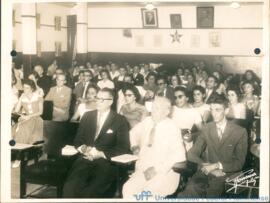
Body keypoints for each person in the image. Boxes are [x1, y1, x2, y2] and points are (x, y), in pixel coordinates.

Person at [63, 88, 130, 198]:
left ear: (110, 101)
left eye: (102, 99)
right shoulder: (87, 116)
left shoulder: (120, 120)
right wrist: (84, 149)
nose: (97, 101)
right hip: (85, 159)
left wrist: (100, 154)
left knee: (90, 192)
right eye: (97, 98)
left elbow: (123, 147)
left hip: (106, 163)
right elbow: (78, 140)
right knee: (69, 187)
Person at [177, 94, 248, 198]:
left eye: (217, 110)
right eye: (211, 110)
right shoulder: (207, 128)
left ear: (226, 110)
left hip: (228, 173)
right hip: (207, 171)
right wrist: (207, 166)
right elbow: (192, 153)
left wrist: (216, 166)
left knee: (213, 193)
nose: (213, 114)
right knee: (189, 190)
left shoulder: (240, 132)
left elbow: (239, 163)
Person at [122, 97, 186, 199]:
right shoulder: (147, 121)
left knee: (145, 195)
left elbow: (179, 155)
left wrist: (156, 169)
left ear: (166, 112)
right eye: (152, 107)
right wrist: (134, 146)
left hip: (163, 174)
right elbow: (132, 133)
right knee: (127, 188)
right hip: (142, 170)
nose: (152, 111)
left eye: (157, 108)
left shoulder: (172, 127)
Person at [12, 79, 44, 167]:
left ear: (32, 89)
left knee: (23, 129)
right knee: (15, 129)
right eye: (24, 88)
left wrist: (28, 116)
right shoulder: (23, 97)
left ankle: (19, 157)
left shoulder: (38, 97)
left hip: (36, 119)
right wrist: (20, 99)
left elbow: (40, 112)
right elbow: (16, 110)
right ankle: (19, 155)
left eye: (27, 88)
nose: (25, 90)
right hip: (26, 118)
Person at [171, 86, 202, 152]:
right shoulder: (171, 109)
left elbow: (202, 131)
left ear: (187, 98)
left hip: (185, 146)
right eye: (175, 97)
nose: (177, 100)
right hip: (170, 143)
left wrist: (193, 136)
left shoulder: (194, 112)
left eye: (180, 96)